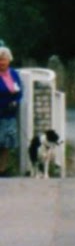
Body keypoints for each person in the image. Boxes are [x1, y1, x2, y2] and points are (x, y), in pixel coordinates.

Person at [0, 47, 21, 176]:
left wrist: (16, 101)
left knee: (7, 142)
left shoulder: (13, 73)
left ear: (9, 60)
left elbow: (20, 91)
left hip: (10, 113)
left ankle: (2, 169)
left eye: (4, 60)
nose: (1, 62)